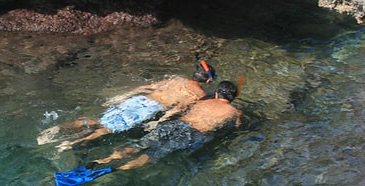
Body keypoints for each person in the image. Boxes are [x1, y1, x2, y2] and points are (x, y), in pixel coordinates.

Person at [37, 61, 217, 150]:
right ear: (208, 80)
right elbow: (178, 108)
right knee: (107, 129)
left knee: (98, 120)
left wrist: (122, 95)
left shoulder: (176, 79)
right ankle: (70, 144)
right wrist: (159, 120)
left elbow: (146, 87)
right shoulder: (200, 94)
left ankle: (57, 128)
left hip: (138, 100)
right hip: (149, 109)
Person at [92, 80, 241, 171]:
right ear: (233, 97)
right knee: (153, 155)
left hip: (176, 123)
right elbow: (234, 127)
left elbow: (181, 109)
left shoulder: (203, 102)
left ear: (216, 94)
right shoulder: (234, 112)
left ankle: (104, 160)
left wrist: (162, 119)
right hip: (192, 134)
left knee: (140, 144)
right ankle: (117, 169)